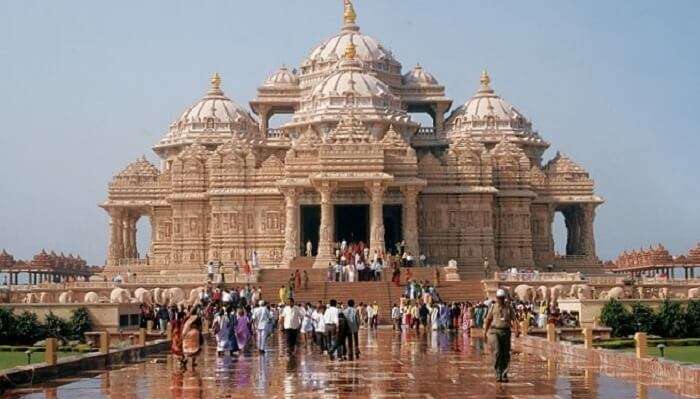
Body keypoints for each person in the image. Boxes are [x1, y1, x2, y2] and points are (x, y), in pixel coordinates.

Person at [484, 289, 520, 383]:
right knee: (497, 351)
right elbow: (488, 320)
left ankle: (504, 374)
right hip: (495, 331)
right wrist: (484, 333)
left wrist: (516, 329)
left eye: (502, 298)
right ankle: (498, 373)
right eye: (499, 298)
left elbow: (514, 319)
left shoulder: (509, 307)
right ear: (497, 298)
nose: (501, 300)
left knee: (505, 353)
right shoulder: (493, 307)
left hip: (506, 331)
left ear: (505, 298)